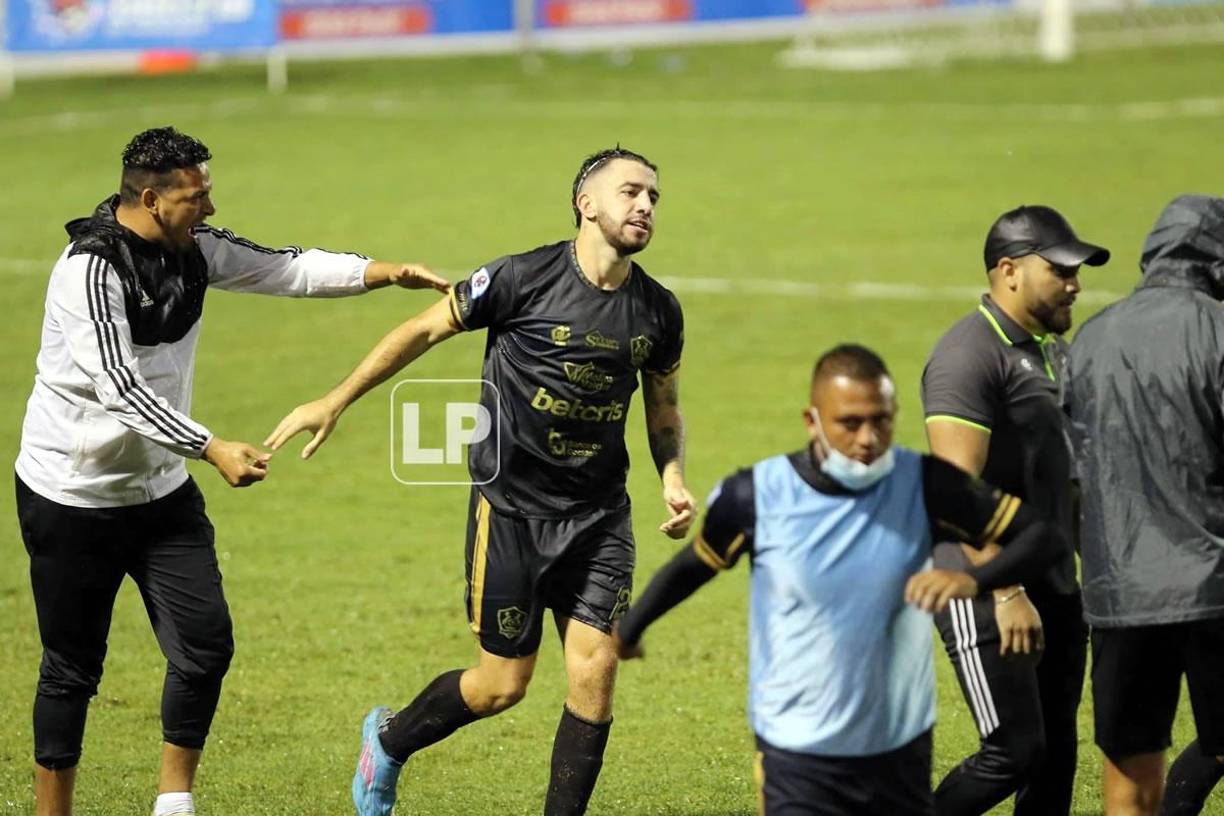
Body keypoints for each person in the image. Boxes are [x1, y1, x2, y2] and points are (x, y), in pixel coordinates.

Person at [14, 126, 449, 816]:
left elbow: (286, 268)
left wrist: (381, 272)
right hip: (74, 497)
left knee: (206, 646)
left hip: (160, 493)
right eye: (196, 197)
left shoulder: (196, 250)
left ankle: (173, 803)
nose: (210, 208)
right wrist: (210, 445)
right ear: (151, 199)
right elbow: (118, 389)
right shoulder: (87, 271)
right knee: (72, 671)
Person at [265, 146, 693, 816]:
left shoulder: (658, 311)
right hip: (512, 514)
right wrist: (335, 399)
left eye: (653, 198)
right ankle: (389, 741)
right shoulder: (521, 278)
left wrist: (672, 475)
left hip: (601, 516)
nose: (644, 207)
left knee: (596, 670)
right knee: (502, 685)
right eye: (631, 192)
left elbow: (663, 405)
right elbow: (421, 330)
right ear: (587, 204)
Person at [612, 343, 1063, 816]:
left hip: (899, 745)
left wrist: (976, 580)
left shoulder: (927, 484)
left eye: (881, 420)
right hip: (796, 749)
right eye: (850, 423)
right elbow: (694, 566)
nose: (867, 438)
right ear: (813, 421)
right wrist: (632, 626)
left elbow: (1042, 538)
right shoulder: (757, 496)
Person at [920, 205, 1108, 815]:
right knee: (1014, 751)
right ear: (1009, 270)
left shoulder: (1053, 352)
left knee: (1055, 758)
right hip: (985, 583)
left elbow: (1067, 483)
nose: (1075, 284)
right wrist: (1005, 592)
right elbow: (956, 491)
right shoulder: (968, 355)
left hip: (1055, 584)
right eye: (1060, 270)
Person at [1068, 194, 1224, 816]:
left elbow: (1070, 473)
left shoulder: (1090, 339)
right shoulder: (1217, 331)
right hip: (1214, 585)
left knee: (1130, 779)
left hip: (1119, 594)